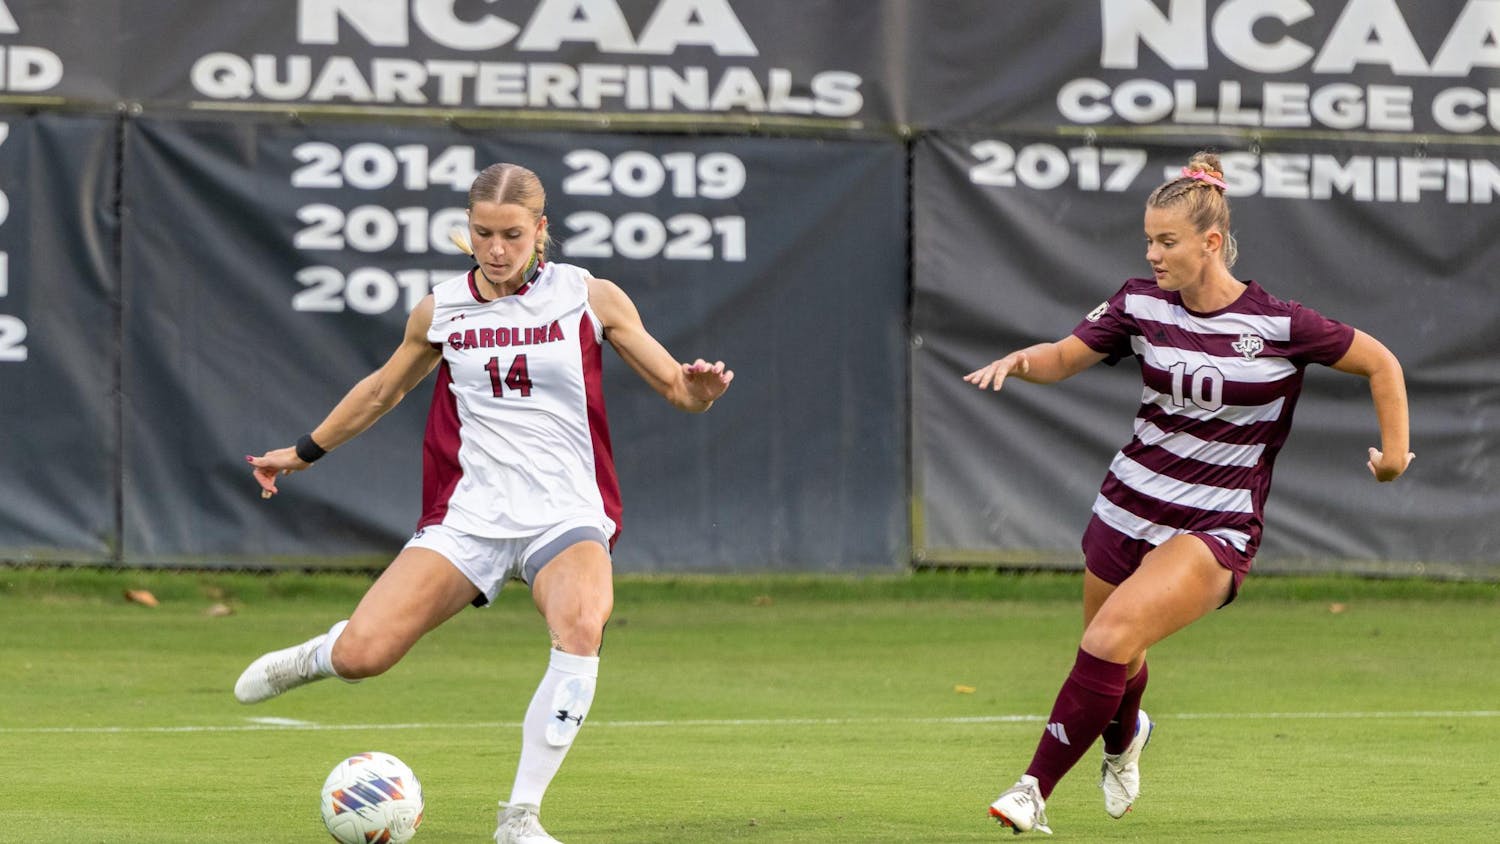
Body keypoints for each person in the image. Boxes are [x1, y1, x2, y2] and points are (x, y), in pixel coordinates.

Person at [235, 162, 733, 844]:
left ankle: (519, 818)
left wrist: (699, 392)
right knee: (364, 658)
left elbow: (678, 387)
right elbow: (381, 391)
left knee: (582, 626)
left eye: (512, 235)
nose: (496, 249)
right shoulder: (441, 309)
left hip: (564, 512)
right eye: (483, 233)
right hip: (471, 516)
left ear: (540, 229)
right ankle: (323, 653)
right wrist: (302, 451)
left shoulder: (588, 297)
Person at [965, 151, 1412, 835]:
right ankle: (1125, 740)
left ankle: (1033, 790)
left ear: (1210, 242)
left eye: (1166, 241)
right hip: (1126, 505)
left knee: (1110, 638)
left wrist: (1395, 456)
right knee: (1115, 652)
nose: (1152, 254)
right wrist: (1021, 362)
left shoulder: (1279, 324)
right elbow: (1062, 357)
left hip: (1215, 524)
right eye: (1148, 239)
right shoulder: (1139, 303)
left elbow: (1381, 363)